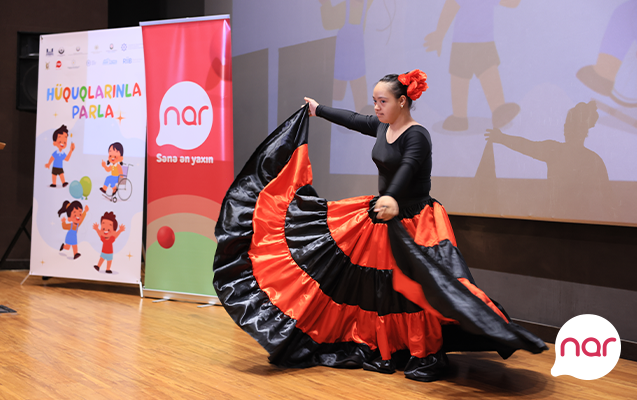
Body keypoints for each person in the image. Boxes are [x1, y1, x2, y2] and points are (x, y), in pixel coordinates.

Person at [213, 70, 547, 383]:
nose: (376, 107)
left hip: (416, 219)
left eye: (382, 101)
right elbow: (354, 120)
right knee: (381, 287)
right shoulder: (381, 126)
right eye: (374, 101)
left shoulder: (418, 135)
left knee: (417, 288)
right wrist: (318, 110)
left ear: (402, 101)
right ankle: (387, 345)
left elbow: (408, 167)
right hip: (385, 214)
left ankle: (425, 351)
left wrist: (392, 197)